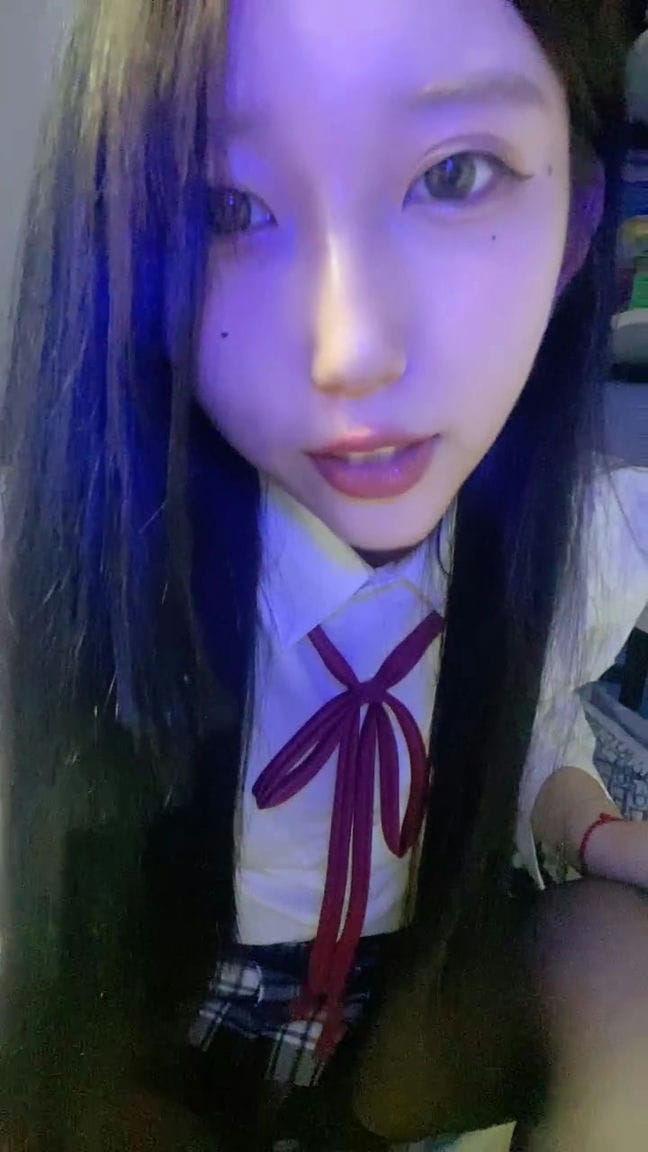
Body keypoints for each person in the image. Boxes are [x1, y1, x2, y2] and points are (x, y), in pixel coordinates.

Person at [1, 0, 647, 1149]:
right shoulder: (88, 564)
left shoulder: (564, 548)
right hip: (164, 1016)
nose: (351, 350)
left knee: (623, 959)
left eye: (454, 176)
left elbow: (536, 726)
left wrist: (592, 832)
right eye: (227, 208)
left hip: (407, 1014)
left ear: (576, 225)